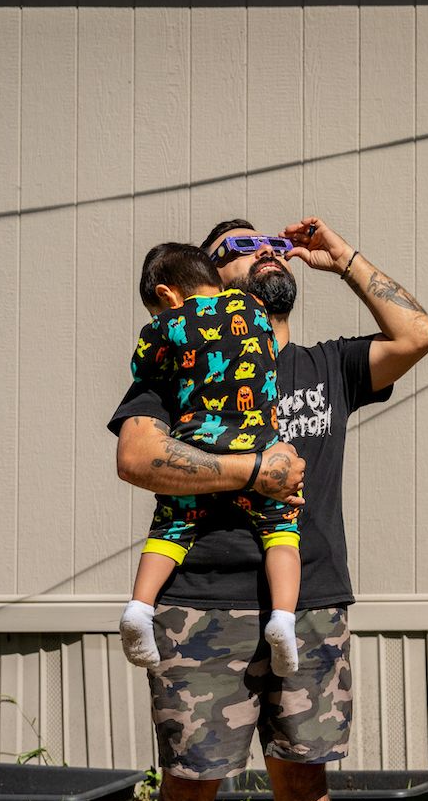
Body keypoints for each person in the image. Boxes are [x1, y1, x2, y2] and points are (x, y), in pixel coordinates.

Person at [97, 216, 428, 801]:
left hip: (311, 600)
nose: (269, 253)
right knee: (188, 781)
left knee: (303, 773)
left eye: (274, 245)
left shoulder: (327, 366)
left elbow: (419, 331)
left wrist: (341, 255)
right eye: (245, 247)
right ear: (212, 283)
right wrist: (252, 469)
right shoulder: (180, 354)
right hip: (200, 600)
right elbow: (138, 456)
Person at [118, 241, 302, 674]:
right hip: (259, 441)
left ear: (167, 295)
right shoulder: (252, 306)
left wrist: (168, 348)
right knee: (282, 530)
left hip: (196, 441)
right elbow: (271, 353)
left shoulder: (167, 323)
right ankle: (284, 618)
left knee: (173, 526)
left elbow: (142, 368)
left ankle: (139, 609)